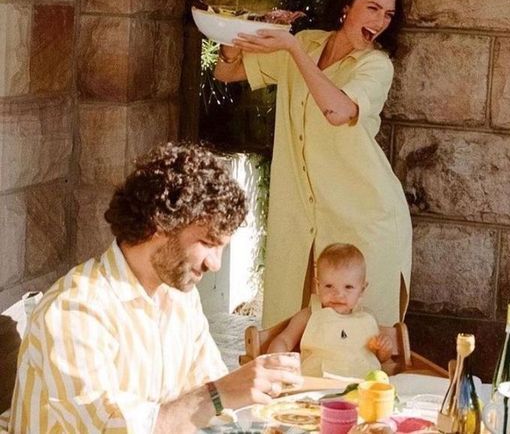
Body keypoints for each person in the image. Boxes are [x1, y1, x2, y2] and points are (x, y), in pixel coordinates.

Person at [4, 143, 302, 434]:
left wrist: (244, 395)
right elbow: (115, 429)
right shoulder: (73, 310)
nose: (216, 264)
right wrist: (220, 393)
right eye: (208, 243)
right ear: (160, 223)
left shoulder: (180, 296)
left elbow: (210, 396)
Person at [214, 0, 412, 328]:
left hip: (364, 217)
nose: (381, 21)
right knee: (292, 328)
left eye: (388, 14)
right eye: (372, 8)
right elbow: (227, 73)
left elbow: (337, 110)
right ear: (346, 7)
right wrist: (237, 36)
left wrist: (292, 48)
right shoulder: (307, 43)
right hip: (303, 215)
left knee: (361, 335)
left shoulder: (375, 65)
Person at [268, 243, 393, 378]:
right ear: (318, 285)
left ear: (362, 289)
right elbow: (284, 340)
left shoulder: (367, 318)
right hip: (319, 383)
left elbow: (380, 358)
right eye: (329, 286)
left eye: (348, 287)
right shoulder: (309, 315)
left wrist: (384, 349)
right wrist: (277, 364)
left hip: (363, 385)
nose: (338, 294)